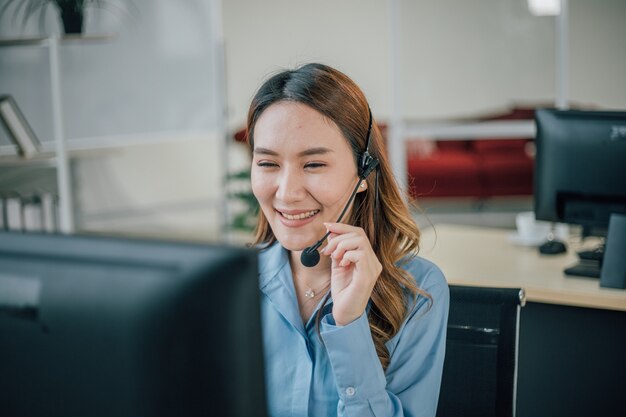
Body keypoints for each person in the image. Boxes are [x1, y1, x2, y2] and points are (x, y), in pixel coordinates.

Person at [246, 63, 449, 417]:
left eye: (313, 165)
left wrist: (349, 323)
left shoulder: (418, 292)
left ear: (364, 173)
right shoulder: (233, 286)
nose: (287, 192)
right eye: (267, 163)